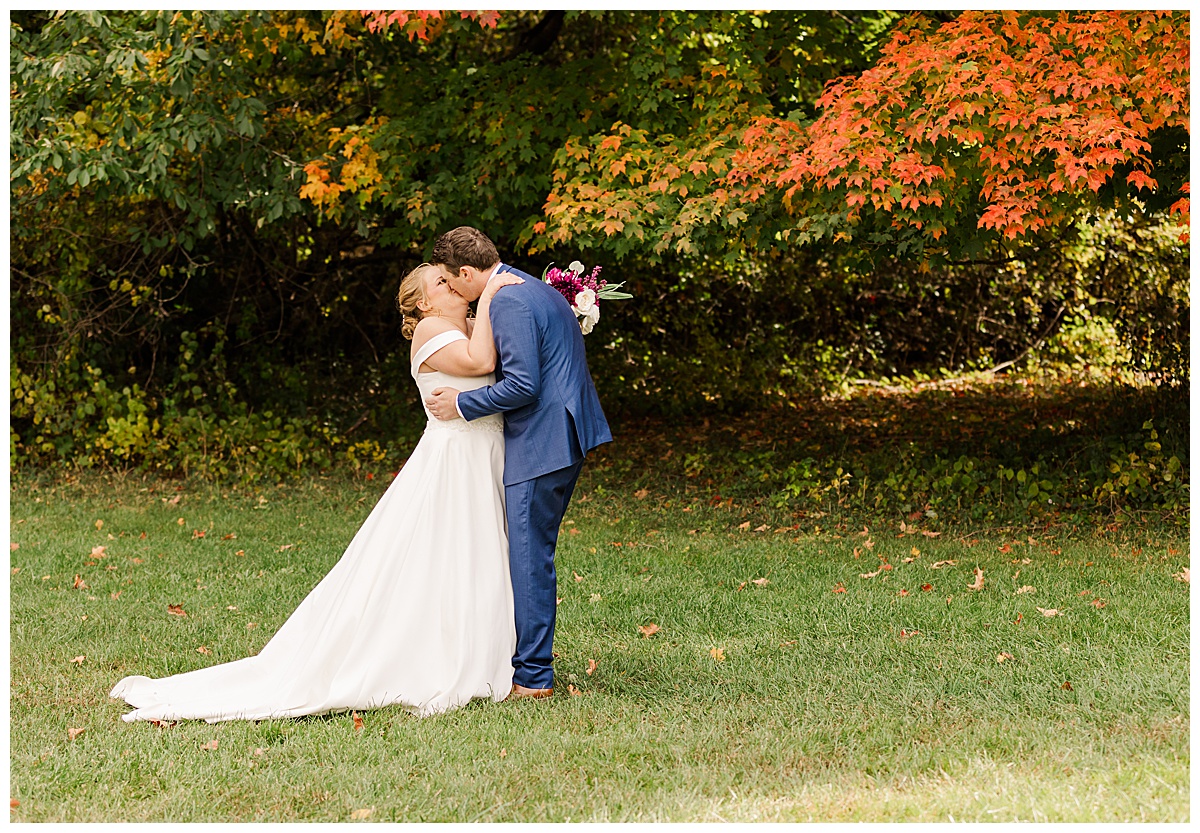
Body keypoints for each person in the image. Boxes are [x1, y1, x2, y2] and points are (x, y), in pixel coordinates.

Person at [109, 263, 525, 721]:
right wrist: (489, 295)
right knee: (443, 556)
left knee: (475, 555)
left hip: (484, 454)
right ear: (424, 303)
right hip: (453, 459)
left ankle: (483, 647)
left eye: (452, 279)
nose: (451, 285)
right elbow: (480, 363)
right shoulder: (429, 330)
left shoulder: (466, 324)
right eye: (440, 283)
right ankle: (437, 655)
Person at [426, 227, 612, 700]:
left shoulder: (507, 301)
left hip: (542, 442)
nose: (451, 290)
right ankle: (525, 662)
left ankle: (532, 677)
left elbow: (522, 385)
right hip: (562, 434)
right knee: (533, 553)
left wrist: (463, 405)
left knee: (529, 558)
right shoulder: (533, 287)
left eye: (451, 281)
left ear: (467, 272)